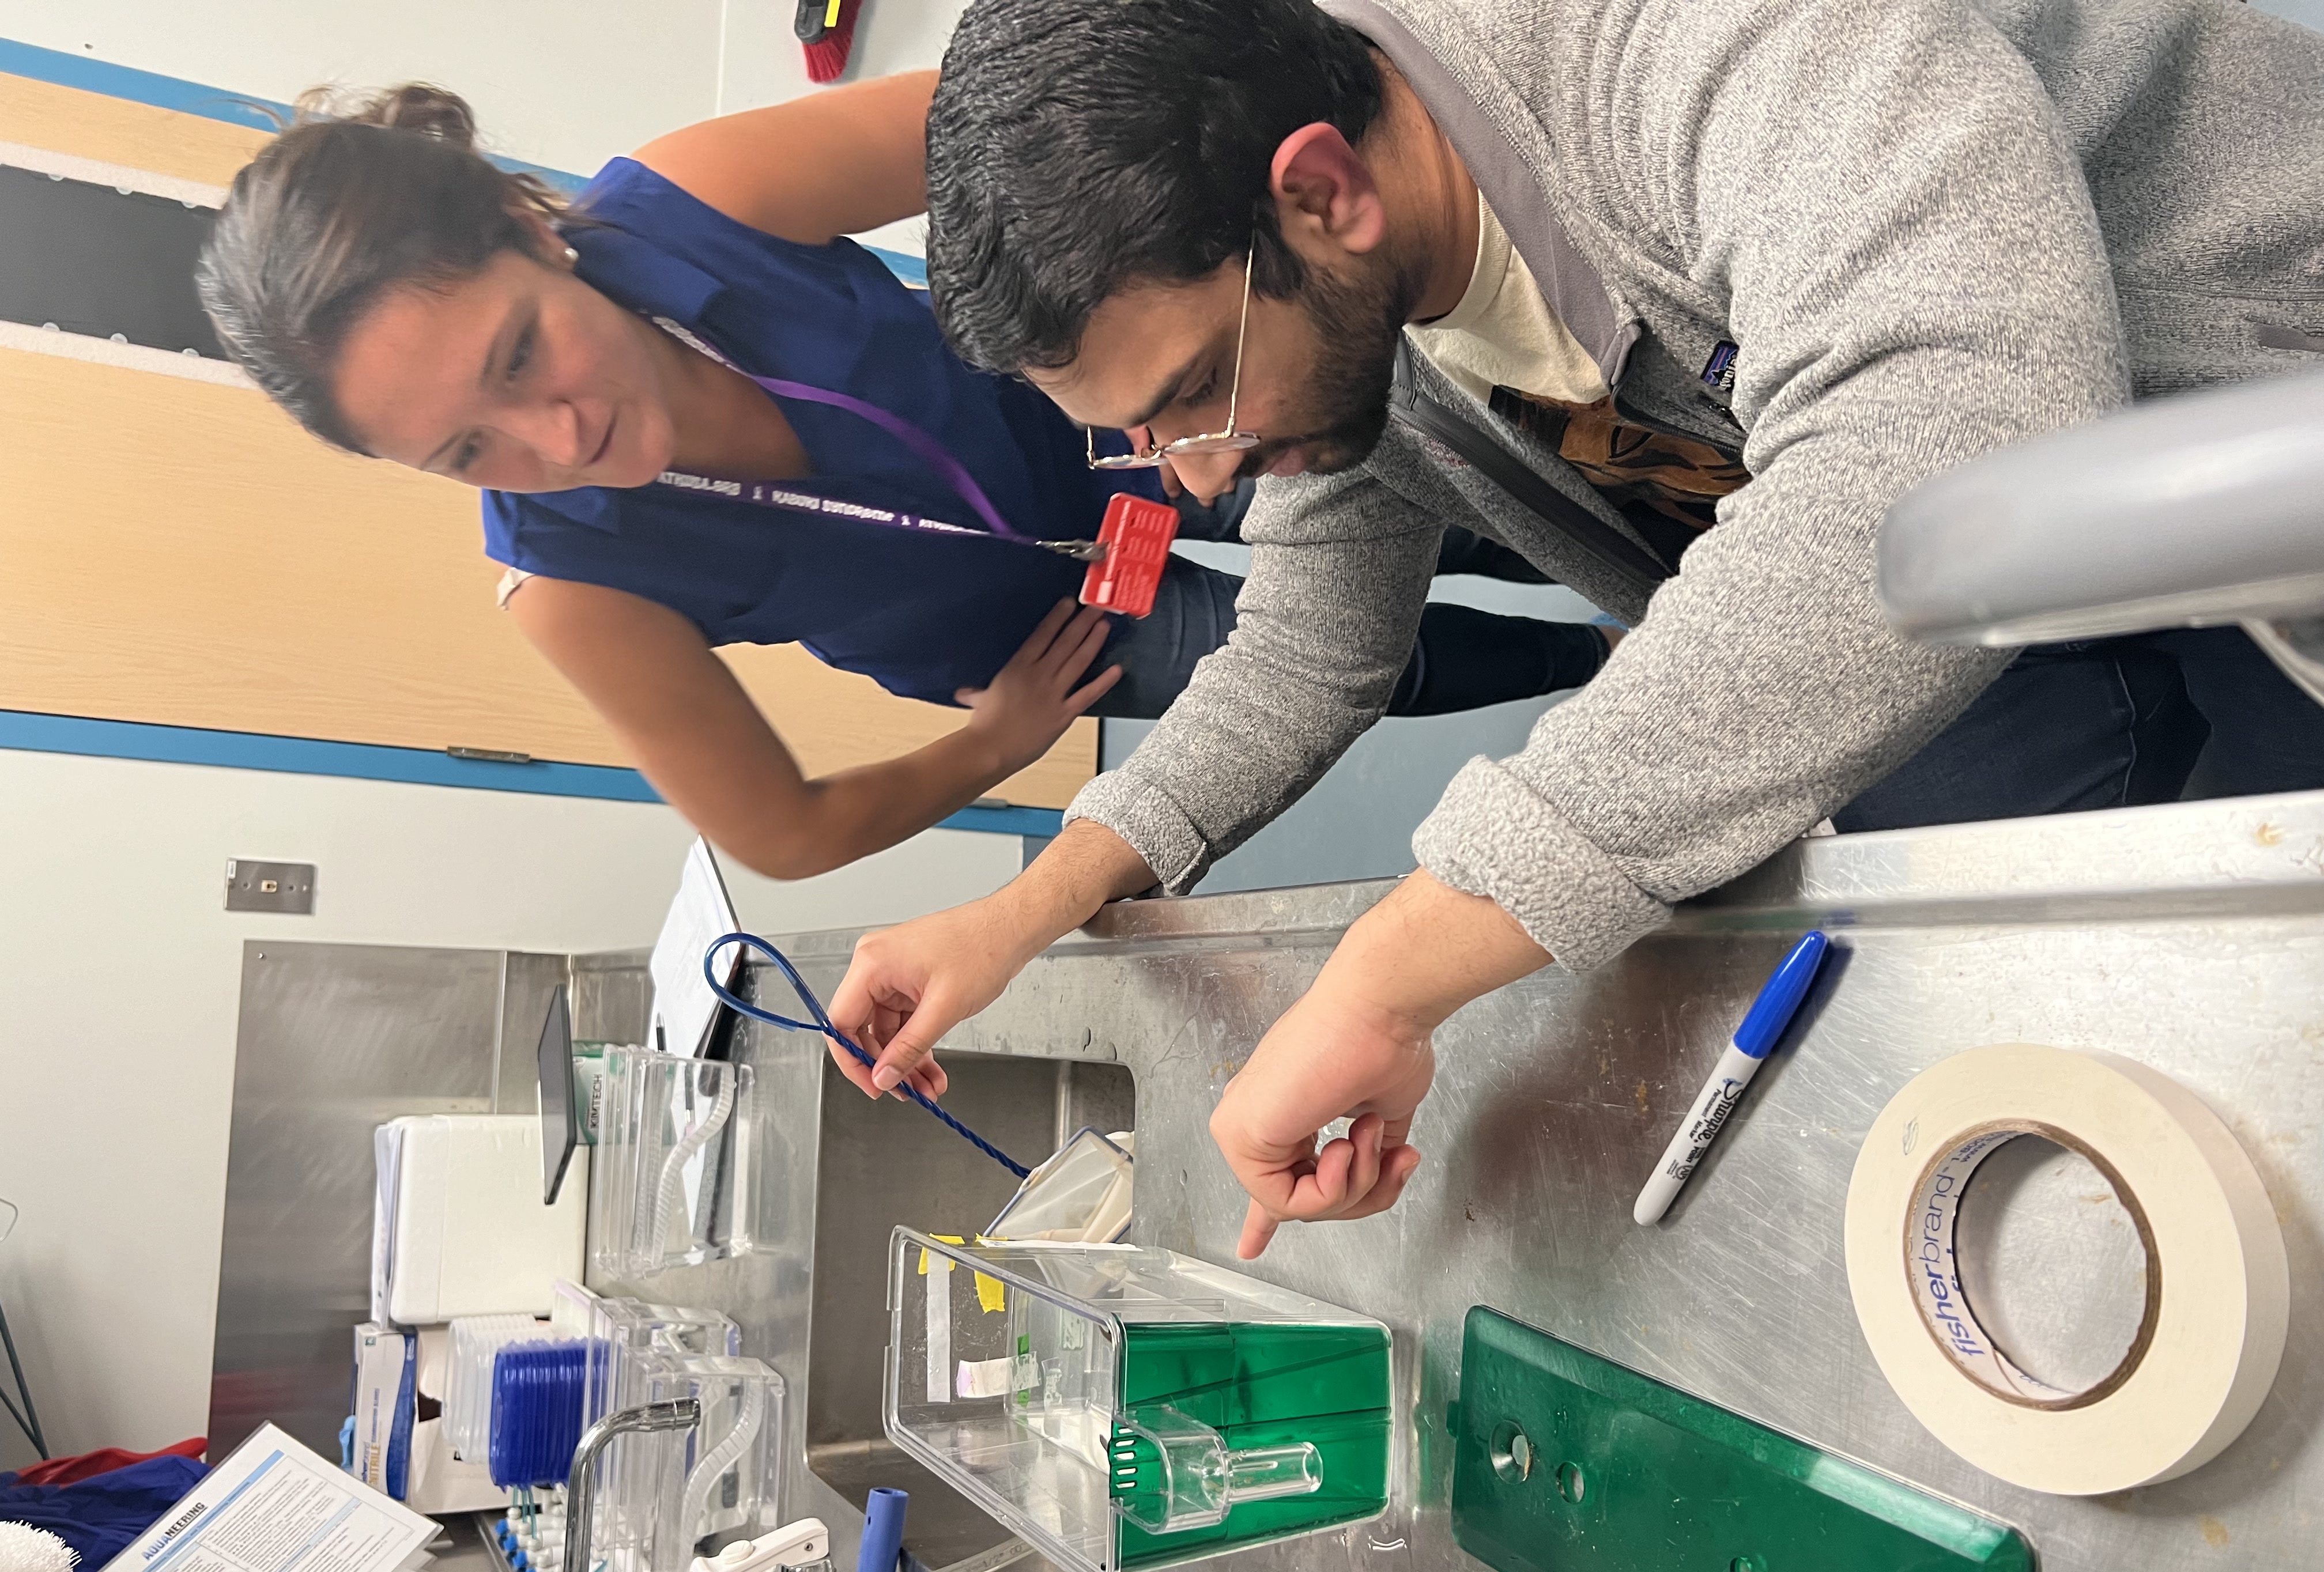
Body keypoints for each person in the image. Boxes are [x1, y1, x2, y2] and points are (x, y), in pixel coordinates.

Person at [819, 0, 2324, 1250]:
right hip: (1984, 569)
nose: (1197, 475)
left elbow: (1951, 423)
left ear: (1321, 189)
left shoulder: (1682, 39)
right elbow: (1300, 643)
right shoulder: (1355, 305)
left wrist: (1402, 959)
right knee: (1983, 1046)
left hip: (2247, 421)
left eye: (1191, 399)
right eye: (1134, 440)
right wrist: (1025, 906)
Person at [193, 76, 1615, 881]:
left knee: (1439, 479)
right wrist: (993, 747)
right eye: (465, 454)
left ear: (529, 226)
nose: (553, 444)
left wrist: (1117, 332)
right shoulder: (570, 587)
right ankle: (1614, 658)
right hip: (1054, 646)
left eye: (520, 352)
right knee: (1381, 667)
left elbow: (1031, 119)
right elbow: (778, 832)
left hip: (1118, 422)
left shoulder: (690, 201)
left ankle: (1661, 548)